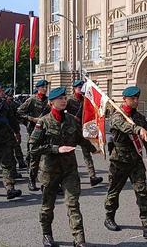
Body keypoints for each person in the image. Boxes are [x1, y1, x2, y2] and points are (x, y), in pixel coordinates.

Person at [30, 87, 97, 247]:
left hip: (69, 170)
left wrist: (95, 148)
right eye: (59, 98)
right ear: (51, 102)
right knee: (48, 206)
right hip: (50, 171)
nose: (63, 100)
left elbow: (81, 139)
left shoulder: (72, 120)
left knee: (73, 204)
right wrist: (56, 149)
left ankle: (79, 240)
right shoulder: (43, 122)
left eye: (64, 97)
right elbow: (33, 148)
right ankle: (47, 234)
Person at [104, 86, 147, 239]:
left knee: (141, 191)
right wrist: (137, 129)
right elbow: (126, 127)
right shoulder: (117, 116)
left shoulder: (139, 117)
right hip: (119, 161)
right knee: (114, 191)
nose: (136, 101)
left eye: (137, 98)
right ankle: (109, 217)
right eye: (132, 99)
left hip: (135, 160)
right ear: (124, 99)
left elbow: (146, 136)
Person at [66, 79, 103, 187]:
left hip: (82, 131)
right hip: (71, 131)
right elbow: (63, 112)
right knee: (68, 155)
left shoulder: (85, 100)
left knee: (87, 154)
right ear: (74, 88)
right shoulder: (69, 100)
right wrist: (73, 118)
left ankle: (93, 177)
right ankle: (68, 178)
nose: (80, 90)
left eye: (81, 88)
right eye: (78, 88)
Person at [17, 79, 51, 191]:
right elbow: (20, 111)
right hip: (34, 132)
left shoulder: (49, 101)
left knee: (48, 157)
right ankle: (32, 180)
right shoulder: (32, 100)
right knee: (34, 157)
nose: (45, 89)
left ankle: (49, 182)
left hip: (46, 131)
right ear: (38, 88)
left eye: (46, 87)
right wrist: (32, 119)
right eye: (43, 87)